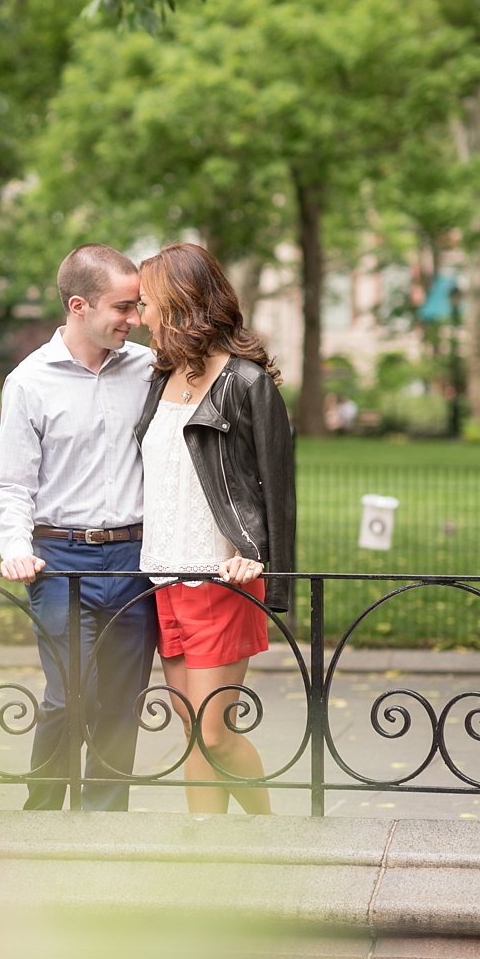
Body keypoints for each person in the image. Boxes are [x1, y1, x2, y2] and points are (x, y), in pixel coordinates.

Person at [0, 243, 157, 811]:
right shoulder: (29, 381)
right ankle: (41, 821)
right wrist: (14, 547)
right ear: (79, 305)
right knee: (69, 696)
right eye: (124, 307)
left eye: (137, 307)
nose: (135, 320)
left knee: (121, 701)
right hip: (59, 562)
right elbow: (10, 483)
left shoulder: (149, 369)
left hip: (134, 561)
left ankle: (102, 831)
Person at [133, 242, 295, 815]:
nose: (139, 316)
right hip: (164, 575)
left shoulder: (248, 384)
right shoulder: (161, 378)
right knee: (190, 726)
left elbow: (277, 488)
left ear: (179, 305)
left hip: (221, 577)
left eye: (147, 303)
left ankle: (264, 834)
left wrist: (259, 554)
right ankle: (207, 856)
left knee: (213, 729)